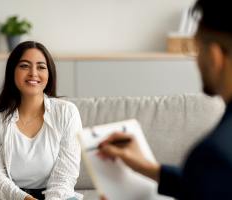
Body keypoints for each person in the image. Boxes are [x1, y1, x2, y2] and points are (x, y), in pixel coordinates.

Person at [99, 0, 232, 199]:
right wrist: (149, 168)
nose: (196, 59)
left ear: (214, 56)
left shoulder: (213, 156)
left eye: (196, 48)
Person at [0, 41, 82, 200]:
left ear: (49, 74)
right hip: (8, 196)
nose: (33, 73)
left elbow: (65, 176)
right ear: (12, 71)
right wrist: (25, 199)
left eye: (41, 67)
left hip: (56, 196)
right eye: (24, 66)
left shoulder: (67, 113)